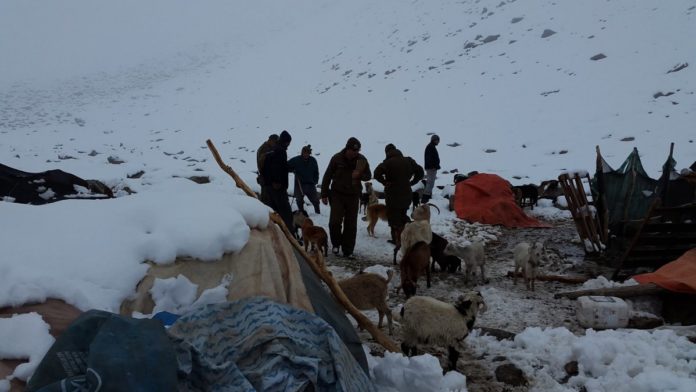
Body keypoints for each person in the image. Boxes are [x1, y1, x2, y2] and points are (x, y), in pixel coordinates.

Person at [320, 137, 371, 259]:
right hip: (337, 194)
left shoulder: (362, 160)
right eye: (353, 150)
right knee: (335, 221)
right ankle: (336, 244)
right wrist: (324, 194)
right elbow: (327, 176)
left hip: (353, 195)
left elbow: (368, 175)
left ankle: (348, 250)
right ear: (347, 149)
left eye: (357, 151)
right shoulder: (337, 158)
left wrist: (360, 175)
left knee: (351, 224)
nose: (355, 153)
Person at [373, 143, 424, 245]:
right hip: (406, 193)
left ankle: (397, 239)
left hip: (393, 194)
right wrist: (412, 182)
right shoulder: (408, 160)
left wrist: (384, 182)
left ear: (387, 152)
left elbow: (376, 173)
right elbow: (420, 172)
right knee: (403, 214)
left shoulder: (387, 163)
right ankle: (409, 235)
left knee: (393, 217)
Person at [261, 130, 294, 231]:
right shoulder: (280, 151)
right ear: (285, 141)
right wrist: (277, 181)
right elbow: (276, 167)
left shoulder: (273, 150)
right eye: (288, 142)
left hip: (269, 186)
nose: (289, 144)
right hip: (278, 187)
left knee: (274, 210)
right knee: (286, 212)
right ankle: (290, 235)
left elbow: (275, 166)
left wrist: (288, 167)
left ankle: (276, 233)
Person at [288, 145, 321, 214]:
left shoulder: (313, 160)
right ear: (302, 153)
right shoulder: (296, 160)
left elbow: (316, 172)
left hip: (310, 184)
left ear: (309, 153)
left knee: (315, 200)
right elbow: (287, 166)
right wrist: (292, 170)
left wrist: (315, 181)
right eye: (304, 153)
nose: (306, 154)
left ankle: (318, 212)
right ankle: (301, 212)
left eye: (307, 153)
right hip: (299, 183)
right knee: (299, 200)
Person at [256, 134, 279, 204]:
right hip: (265, 177)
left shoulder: (273, 148)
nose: (275, 144)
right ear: (270, 140)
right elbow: (261, 163)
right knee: (265, 198)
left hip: (273, 177)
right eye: (275, 142)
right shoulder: (263, 148)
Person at [422, 134, 440, 203]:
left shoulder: (431, 146)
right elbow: (429, 158)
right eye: (437, 140)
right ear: (434, 140)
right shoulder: (430, 147)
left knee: (431, 182)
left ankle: (428, 195)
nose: (438, 142)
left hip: (431, 167)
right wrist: (434, 166)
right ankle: (425, 197)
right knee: (430, 182)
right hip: (431, 168)